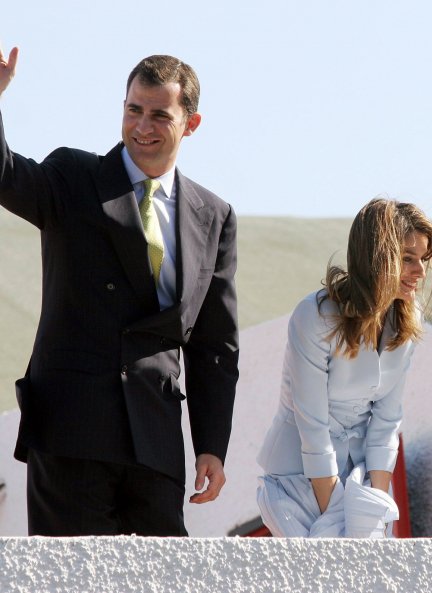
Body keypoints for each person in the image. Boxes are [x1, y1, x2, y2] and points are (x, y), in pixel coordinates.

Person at [0, 47, 239, 536]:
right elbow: (6, 175)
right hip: (72, 431)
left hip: (155, 442)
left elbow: (214, 344)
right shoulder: (74, 177)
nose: (142, 127)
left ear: (190, 124)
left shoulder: (213, 215)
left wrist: (211, 443)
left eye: (159, 115)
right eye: (133, 110)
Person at [257, 197, 432, 537]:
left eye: (424, 259)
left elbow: (386, 421)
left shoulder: (408, 323)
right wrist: (338, 514)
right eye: (408, 259)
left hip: (360, 480)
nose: (421, 271)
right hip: (297, 480)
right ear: (377, 258)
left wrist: (373, 505)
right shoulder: (315, 315)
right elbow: (312, 424)